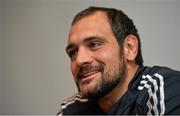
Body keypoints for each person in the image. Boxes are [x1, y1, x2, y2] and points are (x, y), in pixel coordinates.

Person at [58, 6, 180, 115]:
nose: (79, 60)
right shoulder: (74, 107)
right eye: (73, 52)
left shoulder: (165, 90)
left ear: (129, 47)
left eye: (94, 44)